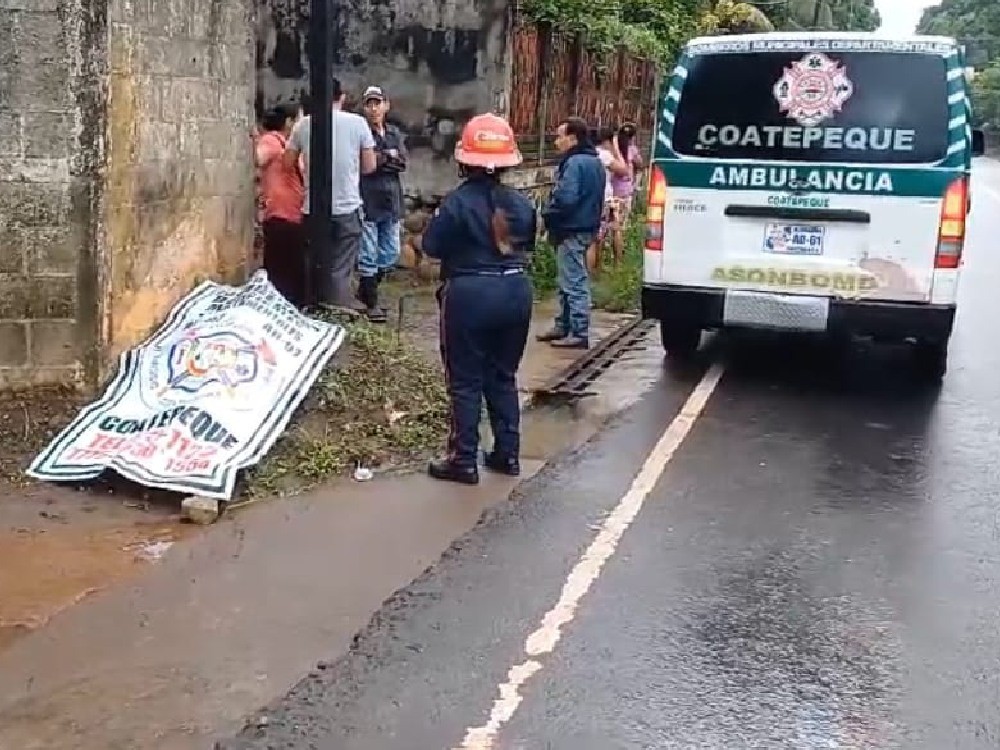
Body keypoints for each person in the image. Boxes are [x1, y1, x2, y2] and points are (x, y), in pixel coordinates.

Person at [421, 113, 537, 485]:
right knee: (503, 376)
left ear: (463, 159)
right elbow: (529, 244)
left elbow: (431, 246)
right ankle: (507, 454)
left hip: (470, 293)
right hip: (516, 290)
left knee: (466, 380)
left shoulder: (456, 203)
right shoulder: (522, 204)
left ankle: (463, 460)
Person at [284, 78, 377, 311]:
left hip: (312, 207)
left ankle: (312, 302)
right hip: (347, 205)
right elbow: (369, 166)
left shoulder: (303, 125)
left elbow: (287, 163)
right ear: (342, 97)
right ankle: (337, 303)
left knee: (313, 258)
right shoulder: (358, 124)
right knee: (342, 261)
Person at [538, 117, 606, 349]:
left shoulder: (575, 163)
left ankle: (577, 331)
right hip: (585, 225)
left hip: (572, 227)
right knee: (567, 278)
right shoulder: (594, 161)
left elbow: (566, 197)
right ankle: (563, 325)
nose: (557, 142)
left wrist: (548, 213)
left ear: (573, 138)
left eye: (560, 136)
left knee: (574, 280)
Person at [357, 85, 407, 322]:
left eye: (378, 103)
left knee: (391, 251)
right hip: (369, 199)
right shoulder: (361, 132)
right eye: (370, 103)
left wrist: (382, 158)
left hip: (391, 199)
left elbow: (402, 162)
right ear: (364, 107)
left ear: (386, 105)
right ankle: (371, 302)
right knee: (368, 252)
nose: (374, 108)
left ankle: (365, 291)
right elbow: (366, 165)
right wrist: (389, 157)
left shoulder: (394, 133)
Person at [255, 105, 306, 306]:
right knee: (280, 269)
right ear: (289, 122)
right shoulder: (273, 141)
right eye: (299, 119)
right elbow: (258, 158)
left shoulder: (288, 144)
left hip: (292, 213)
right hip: (280, 213)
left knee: (291, 267)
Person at [589, 126, 631, 272]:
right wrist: (616, 149)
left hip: (592, 198)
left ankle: (595, 270)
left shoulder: (590, 154)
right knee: (611, 230)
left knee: (595, 236)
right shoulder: (604, 155)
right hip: (606, 198)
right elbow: (624, 170)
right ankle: (613, 265)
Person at [609, 121, 644, 264]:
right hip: (624, 193)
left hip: (610, 192)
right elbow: (640, 164)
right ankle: (618, 261)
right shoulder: (632, 150)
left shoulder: (612, 150)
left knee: (606, 227)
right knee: (619, 229)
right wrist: (636, 183)